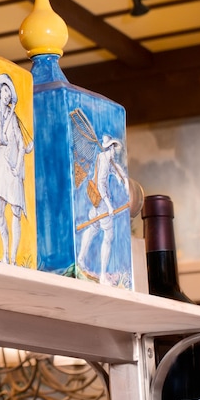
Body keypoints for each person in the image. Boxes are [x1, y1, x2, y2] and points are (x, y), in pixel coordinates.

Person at [74, 113, 128, 284]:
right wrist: (109, 205)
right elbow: (101, 184)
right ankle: (103, 274)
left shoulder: (105, 158)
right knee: (109, 236)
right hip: (101, 203)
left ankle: (81, 259)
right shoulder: (104, 160)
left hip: (96, 203)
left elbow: (115, 168)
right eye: (114, 148)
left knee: (93, 229)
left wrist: (123, 178)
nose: (115, 152)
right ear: (110, 148)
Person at [0, 73, 30, 265]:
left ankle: (13, 258)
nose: (6, 94)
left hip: (13, 166)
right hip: (2, 163)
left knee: (15, 211)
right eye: (4, 90)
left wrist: (18, 165)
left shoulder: (14, 119)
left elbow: (22, 144)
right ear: (0, 92)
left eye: (9, 92)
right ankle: (4, 253)